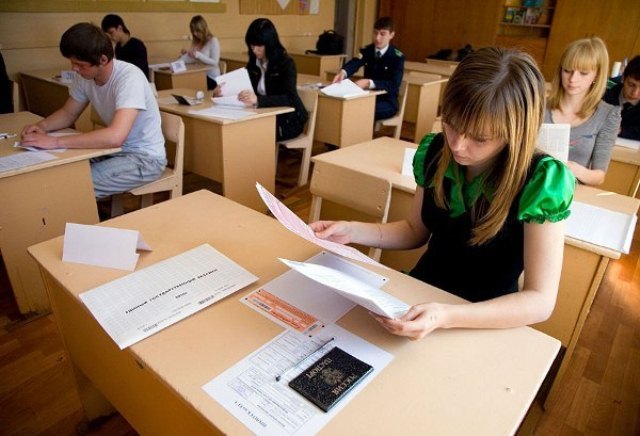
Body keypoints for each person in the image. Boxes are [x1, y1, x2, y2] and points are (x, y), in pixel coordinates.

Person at [310, 47, 576, 340]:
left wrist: (445, 316)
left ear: (516, 133)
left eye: (480, 138)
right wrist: (351, 230)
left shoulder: (541, 180)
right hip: (420, 298)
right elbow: (414, 231)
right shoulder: (436, 151)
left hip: (483, 320)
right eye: (451, 125)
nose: (458, 145)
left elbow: (540, 301)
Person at [20, 22, 166, 199]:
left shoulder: (129, 78)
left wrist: (54, 141)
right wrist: (41, 126)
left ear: (103, 60)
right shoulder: (85, 76)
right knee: (57, 171)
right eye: (72, 62)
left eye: (80, 64)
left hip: (145, 158)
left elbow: (115, 137)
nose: (74, 69)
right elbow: (68, 113)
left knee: (73, 184)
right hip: (115, 151)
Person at [545, 37, 621, 186]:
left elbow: (599, 176)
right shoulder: (538, 106)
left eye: (583, 73)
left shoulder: (608, 115)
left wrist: (574, 169)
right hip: (532, 187)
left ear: (597, 75)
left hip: (573, 191)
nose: (573, 79)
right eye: (567, 71)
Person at [237, 18, 308, 141]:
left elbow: (289, 98)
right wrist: (225, 91)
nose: (254, 50)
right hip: (265, 114)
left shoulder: (286, 63)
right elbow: (247, 87)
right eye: (252, 45)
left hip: (288, 120)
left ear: (270, 43)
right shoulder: (253, 63)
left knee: (250, 134)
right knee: (239, 130)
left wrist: (258, 100)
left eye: (259, 45)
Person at [332, 16, 404, 121]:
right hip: (367, 96)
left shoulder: (397, 56)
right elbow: (355, 62)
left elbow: (394, 84)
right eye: (375, 33)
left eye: (382, 34)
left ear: (391, 35)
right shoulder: (367, 50)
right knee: (349, 106)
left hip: (386, 101)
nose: (377, 38)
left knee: (363, 109)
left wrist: (369, 83)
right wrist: (343, 72)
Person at [101, 14, 149, 80]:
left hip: (138, 80)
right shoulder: (118, 47)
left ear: (120, 28)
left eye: (111, 32)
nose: (110, 37)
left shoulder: (137, 45)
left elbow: (139, 70)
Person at [603, 55, 640, 140]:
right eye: (631, 85)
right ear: (623, 78)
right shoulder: (604, 97)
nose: (635, 93)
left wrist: (620, 130)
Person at [179, 15, 221, 90]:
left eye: (197, 31)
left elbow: (215, 62)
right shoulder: (196, 41)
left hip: (212, 78)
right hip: (200, 75)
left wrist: (199, 55)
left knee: (191, 84)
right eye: (193, 31)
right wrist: (188, 54)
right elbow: (195, 60)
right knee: (186, 80)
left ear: (203, 29)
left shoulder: (213, 41)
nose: (195, 33)